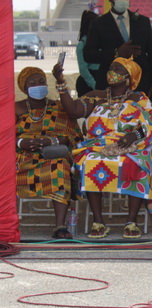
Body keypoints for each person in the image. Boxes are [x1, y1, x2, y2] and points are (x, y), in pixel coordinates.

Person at [53, 57, 152, 239]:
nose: (111, 72)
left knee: (137, 162)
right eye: (111, 67)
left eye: (118, 69)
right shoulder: (96, 96)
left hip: (133, 146)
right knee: (88, 161)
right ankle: (98, 221)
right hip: (99, 145)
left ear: (129, 77)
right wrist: (61, 83)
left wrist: (134, 135)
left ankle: (131, 221)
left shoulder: (139, 98)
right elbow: (73, 111)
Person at [15, 67, 82, 239]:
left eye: (41, 82)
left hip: (51, 156)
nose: (38, 85)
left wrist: (50, 141)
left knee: (60, 166)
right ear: (24, 87)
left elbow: (72, 135)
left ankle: (60, 227)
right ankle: (8, 225)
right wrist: (22, 142)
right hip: (21, 157)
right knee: (6, 171)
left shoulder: (59, 107)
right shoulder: (15, 108)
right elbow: (4, 135)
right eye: (32, 82)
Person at [83, 0, 152, 105]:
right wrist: (116, 53)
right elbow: (88, 54)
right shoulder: (99, 23)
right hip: (110, 86)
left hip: (142, 85)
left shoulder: (142, 21)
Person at [76, 10, 100, 97]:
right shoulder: (82, 45)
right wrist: (94, 85)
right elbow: (83, 69)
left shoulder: (100, 41)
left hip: (100, 78)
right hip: (88, 83)